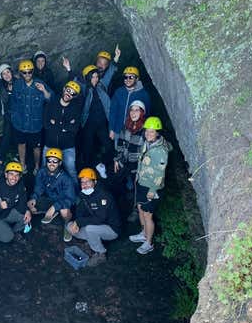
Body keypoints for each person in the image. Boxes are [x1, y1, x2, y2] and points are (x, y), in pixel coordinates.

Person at [130, 117, 172, 254]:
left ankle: (148, 243)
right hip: (142, 182)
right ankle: (144, 234)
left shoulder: (161, 151)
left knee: (148, 215)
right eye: (147, 131)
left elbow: (160, 173)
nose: (148, 134)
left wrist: (153, 190)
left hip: (151, 187)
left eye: (152, 132)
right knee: (141, 208)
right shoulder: (147, 143)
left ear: (157, 133)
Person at [66, 168, 121, 262]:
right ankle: (93, 242)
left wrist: (79, 222)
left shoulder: (103, 195)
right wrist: (76, 223)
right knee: (69, 226)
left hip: (111, 229)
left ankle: (100, 253)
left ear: (95, 182)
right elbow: (80, 213)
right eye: (82, 182)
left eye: (88, 182)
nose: (84, 185)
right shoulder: (83, 195)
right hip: (95, 225)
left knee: (90, 229)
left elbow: (100, 219)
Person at [10, 59, 51, 174]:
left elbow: (51, 98)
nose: (27, 74)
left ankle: (37, 167)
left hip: (35, 124)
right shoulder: (17, 84)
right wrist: (14, 117)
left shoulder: (40, 83)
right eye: (24, 72)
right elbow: (12, 102)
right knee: (21, 144)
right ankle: (22, 165)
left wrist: (43, 91)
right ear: (20, 73)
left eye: (30, 71)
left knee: (36, 147)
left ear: (33, 71)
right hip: (20, 123)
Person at [28, 148, 77, 242]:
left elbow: (70, 199)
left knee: (65, 212)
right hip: (49, 199)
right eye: (49, 161)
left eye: (55, 161)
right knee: (30, 205)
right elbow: (39, 188)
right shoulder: (42, 172)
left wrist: (54, 207)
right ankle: (51, 212)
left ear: (60, 163)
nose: (51, 164)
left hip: (62, 202)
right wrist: (33, 198)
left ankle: (67, 225)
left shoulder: (66, 178)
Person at [74, 63, 113, 177]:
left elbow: (108, 75)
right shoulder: (85, 88)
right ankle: (87, 171)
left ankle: (105, 165)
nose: (95, 79)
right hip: (88, 125)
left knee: (109, 145)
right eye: (93, 77)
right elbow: (75, 83)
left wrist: (115, 60)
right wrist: (69, 70)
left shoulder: (101, 86)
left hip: (102, 124)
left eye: (96, 76)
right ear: (88, 78)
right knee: (87, 148)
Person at [0, 162, 32, 243]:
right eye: (11, 174)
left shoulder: (20, 185)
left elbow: (22, 201)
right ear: (6, 175)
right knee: (8, 238)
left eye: (17, 175)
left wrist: (27, 210)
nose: (14, 178)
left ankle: (12, 231)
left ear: (20, 177)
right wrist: (0, 207)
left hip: (7, 213)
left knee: (26, 218)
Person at [42, 80, 82, 178]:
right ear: (64, 89)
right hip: (50, 144)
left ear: (74, 96)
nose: (69, 94)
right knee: (44, 169)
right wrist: (66, 126)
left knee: (71, 171)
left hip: (67, 146)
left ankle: (76, 192)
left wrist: (56, 124)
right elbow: (46, 124)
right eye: (68, 90)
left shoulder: (76, 108)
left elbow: (75, 128)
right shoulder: (52, 103)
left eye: (73, 93)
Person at [112, 99, 147, 207]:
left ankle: (136, 210)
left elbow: (147, 151)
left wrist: (142, 169)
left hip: (137, 164)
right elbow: (120, 144)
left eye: (137, 110)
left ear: (142, 113)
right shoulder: (126, 126)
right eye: (132, 110)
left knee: (138, 189)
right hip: (124, 161)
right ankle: (116, 205)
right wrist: (117, 159)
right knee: (116, 181)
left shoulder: (146, 130)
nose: (133, 113)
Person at [109, 66, 151, 144]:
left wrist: (145, 131)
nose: (128, 79)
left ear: (137, 79)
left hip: (135, 133)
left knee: (134, 154)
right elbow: (113, 111)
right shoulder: (119, 92)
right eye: (126, 77)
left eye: (131, 77)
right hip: (118, 130)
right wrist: (111, 129)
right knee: (119, 152)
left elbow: (147, 114)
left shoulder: (143, 94)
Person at [0, 63, 16, 166]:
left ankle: (17, 154)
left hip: (20, 114)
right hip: (8, 114)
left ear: (11, 72)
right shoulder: (1, 86)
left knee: (20, 135)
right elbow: (5, 101)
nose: (7, 75)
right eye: (3, 74)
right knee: (6, 135)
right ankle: (1, 156)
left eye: (8, 72)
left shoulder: (18, 82)